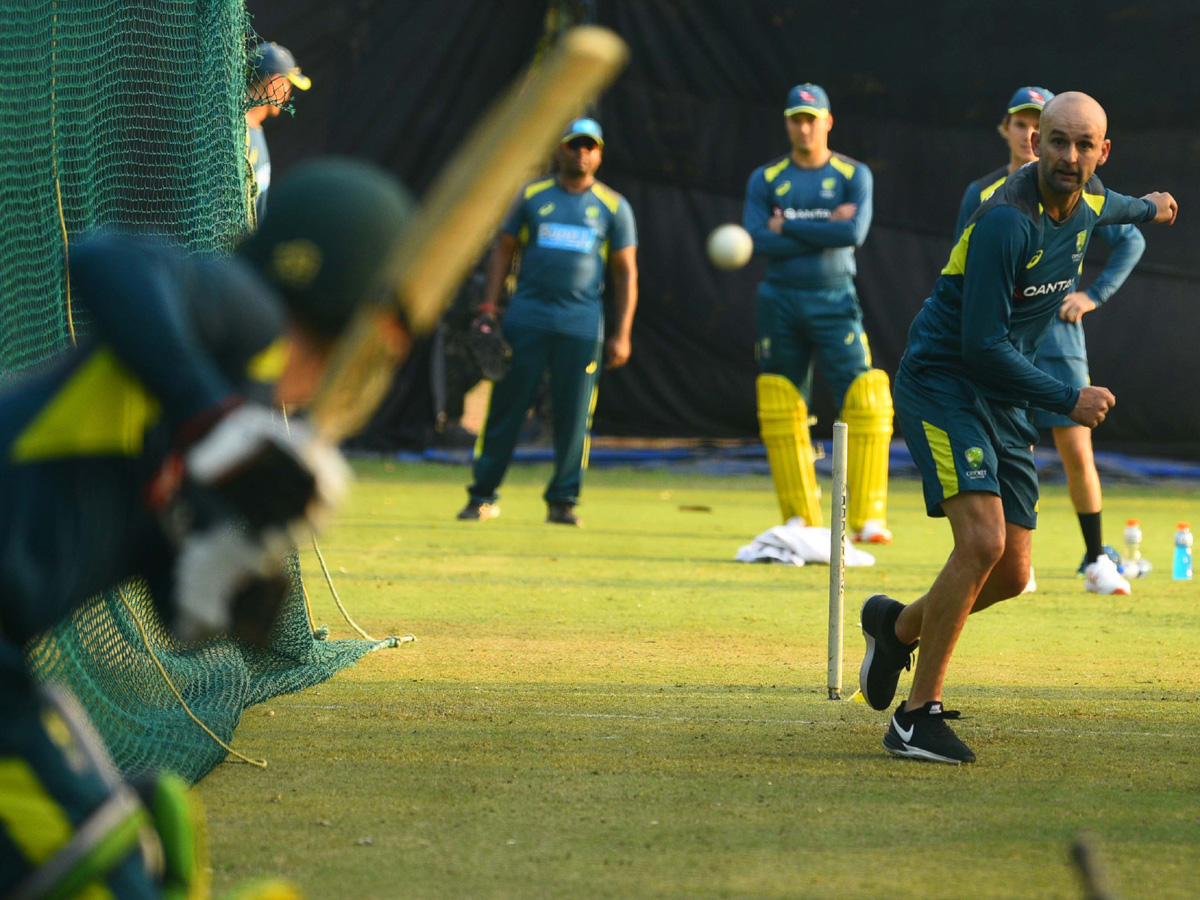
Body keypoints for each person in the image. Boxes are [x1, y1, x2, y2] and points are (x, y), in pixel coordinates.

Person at [0, 159, 415, 898]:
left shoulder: (246, 424)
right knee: (105, 869)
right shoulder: (246, 316)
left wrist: (241, 579)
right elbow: (102, 258)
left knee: (131, 856)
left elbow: (180, 606)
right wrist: (212, 419)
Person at [857, 92, 1176, 765]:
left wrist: (1155, 206)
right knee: (981, 542)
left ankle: (895, 629)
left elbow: (1124, 209)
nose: (1066, 156)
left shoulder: (1091, 201)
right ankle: (917, 719)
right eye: (1055, 140)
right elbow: (980, 348)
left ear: (1102, 152)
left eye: (1083, 145)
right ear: (1036, 142)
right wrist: (1067, 398)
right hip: (947, 383)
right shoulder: (1006, 220)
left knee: (1010, 573)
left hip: (1002, 399)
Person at [956, 86, 1145, 596]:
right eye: (1023, 123)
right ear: (1022, 134)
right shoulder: (986, 194)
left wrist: (1093, 295)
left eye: (1077, 141)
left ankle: (1095, 558)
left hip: (1057, 338)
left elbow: (1134, 237)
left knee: (1075, 447)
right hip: (1000, 340)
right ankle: (1015, 559)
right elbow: (961, 273)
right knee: (999, 443)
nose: (1066, 151)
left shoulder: (1083, 187)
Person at [458, 118, 638, 526]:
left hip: (580, 326)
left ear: (599, 154)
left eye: (589, 147)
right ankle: (482, 496)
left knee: (574, 417)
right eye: (574, 146)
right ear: (561, 149)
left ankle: (563, 501)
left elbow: (626, 272)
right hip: (527, 320)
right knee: (506, 409)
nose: (581, 153)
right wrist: (489, 307)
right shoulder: (533, 196)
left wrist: (623, 333)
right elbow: (503, 249)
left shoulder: (612, 206)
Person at [743, 84, 893, 545]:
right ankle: (800, 514)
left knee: (866, 396)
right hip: (781, 298)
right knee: (781, 399)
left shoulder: (853, 174)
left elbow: (854, 232)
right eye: (796, 118)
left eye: (813, 118)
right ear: (788, 123)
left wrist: (785, 223)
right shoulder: (766, 178)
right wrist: (824, 227)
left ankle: (868, 516)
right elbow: (756, 239)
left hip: (834, 297)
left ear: (828, 121)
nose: (804, 127)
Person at [246, 41, 312, 222]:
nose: (289, 94)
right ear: (272, 83)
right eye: (287, 84)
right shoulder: (236, 136)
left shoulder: (255, 129)